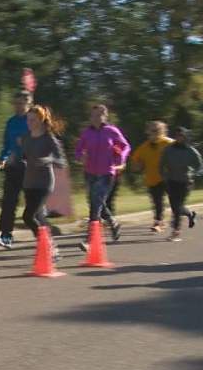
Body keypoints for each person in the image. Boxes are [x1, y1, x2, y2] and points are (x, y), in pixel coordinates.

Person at [75, 103, 130, 249]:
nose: (96, 118)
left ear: (105, 116)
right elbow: (78, 150)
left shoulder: (112, 131)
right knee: (95, 202)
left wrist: (120, 159)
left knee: (95, 205)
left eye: (99, 115)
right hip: (90, 172)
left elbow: (126, 146)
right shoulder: (87, 133)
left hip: (107, 172)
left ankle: (89, 240)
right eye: (93, 115)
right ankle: (113, 223)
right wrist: (81, 157)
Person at [21, 105, 69, 261]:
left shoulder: (49, 138)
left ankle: (46, 246)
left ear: (41, 120)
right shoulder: (26, 138)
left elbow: (62, 162)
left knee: (28, 216)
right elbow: (26, 157)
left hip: (44, 183)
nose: (29, 122)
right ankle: (53, 250)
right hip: (28, 182)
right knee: (39, 217)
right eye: (28, 120)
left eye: (33, 120)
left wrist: (49, 159)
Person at [0, 89, 33, 248]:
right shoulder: (11, 122)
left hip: (31, 167)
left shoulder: (34, 121)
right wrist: (2, 159)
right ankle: (6, 234)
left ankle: (42, 233)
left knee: (33, 205)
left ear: (28, 103)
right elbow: (6, 146)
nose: (17, 106)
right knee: (9, 201)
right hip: (12, 166)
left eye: (21, 103)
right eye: (15, 103)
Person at [159, 127, 203, 242]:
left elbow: (200, 167)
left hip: (185, 182)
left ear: (185, 137)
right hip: (171, 181)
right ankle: (190, 214)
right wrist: (163, 176)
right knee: (175, 206)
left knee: (177, 207)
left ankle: (176, 232)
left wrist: (193, 173)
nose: (179, 137)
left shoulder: (191, 151)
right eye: (178, 135)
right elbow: (161, 164)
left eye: (182, 135)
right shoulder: (168, 149)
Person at [129, 121, 175, 233]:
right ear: (147, 132)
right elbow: (135, 162)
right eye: (151, 131)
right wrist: (137, 166)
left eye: (157, 130)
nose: (154, 133)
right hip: (152, 179)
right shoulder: (144, 147)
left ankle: (177, 218)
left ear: (163, 131)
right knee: (157, 202)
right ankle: (159, 222)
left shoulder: (170, 143)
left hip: (170, 177)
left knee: (175, 200)